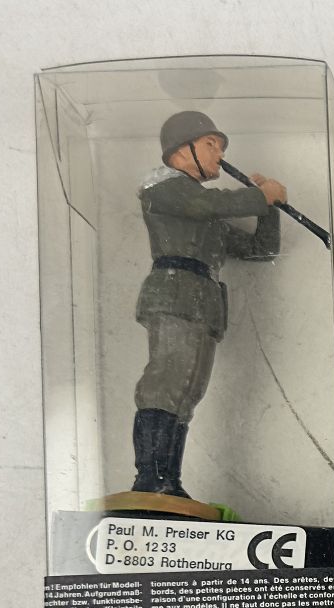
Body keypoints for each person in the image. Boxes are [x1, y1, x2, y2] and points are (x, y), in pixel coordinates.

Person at [132, 110, 287, 499]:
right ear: (180, 150)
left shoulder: (205, 214)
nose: (219, 153)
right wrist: (257, 196)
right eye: (210, 144)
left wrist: (269, 207)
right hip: (174, 295)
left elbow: (261, 249)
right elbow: (206, 205)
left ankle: (168, 481)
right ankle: (149, 480)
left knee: (187, 392)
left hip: (202, 304)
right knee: (165, 385)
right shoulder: (163, 188)